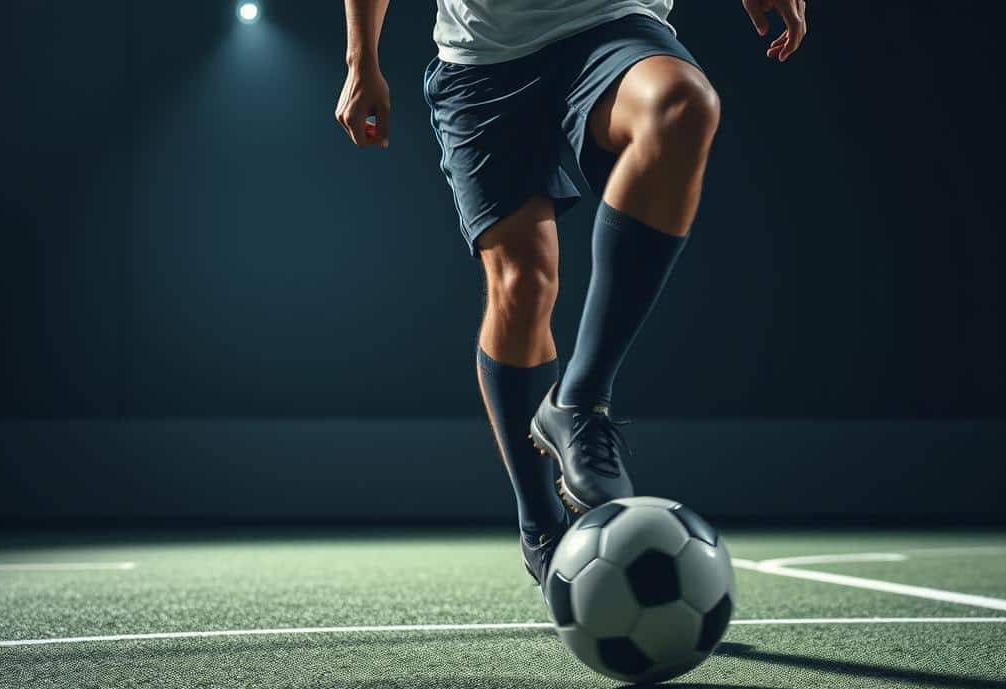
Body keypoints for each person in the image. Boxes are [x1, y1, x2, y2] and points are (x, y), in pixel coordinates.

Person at [336, 0, 807, 588]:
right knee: (522, 282)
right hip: (483, 57)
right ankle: (540, 527)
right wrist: (362, 59)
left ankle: (579, 403)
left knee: (683, 105)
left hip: (610, 23)